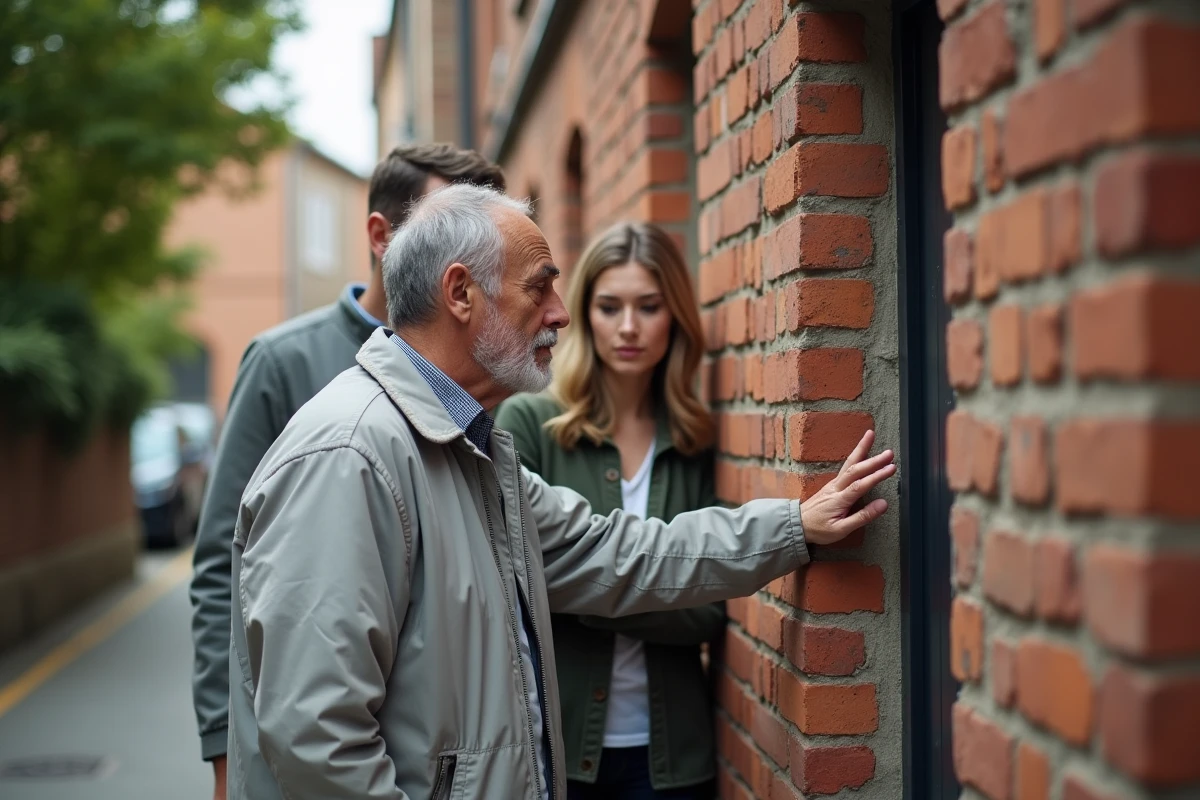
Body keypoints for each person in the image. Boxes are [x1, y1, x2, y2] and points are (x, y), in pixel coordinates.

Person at [227, 184, 895, 800]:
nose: (561, 314)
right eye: (539, 288)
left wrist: (795, 525)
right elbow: (319, 742)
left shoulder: (468, 450)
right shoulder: (349, 455)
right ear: (461, 293)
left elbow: (616, 552)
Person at [188, 144, 506, 799]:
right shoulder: (282, 361)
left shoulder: (480, 365)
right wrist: (223, 744)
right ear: (380, 236)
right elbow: (225, 561)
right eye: (451, 228)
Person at [496, 222, 722, 800]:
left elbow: (708, 611)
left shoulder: (694, 438)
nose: (627, 327)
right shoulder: (530, 423)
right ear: (583, 314)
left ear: (675, 316)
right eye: (608, 307)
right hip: (558, 751)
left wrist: (590, 586)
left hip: (673, 761)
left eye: (648, 306)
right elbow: (523, 584)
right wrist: (663, 584)